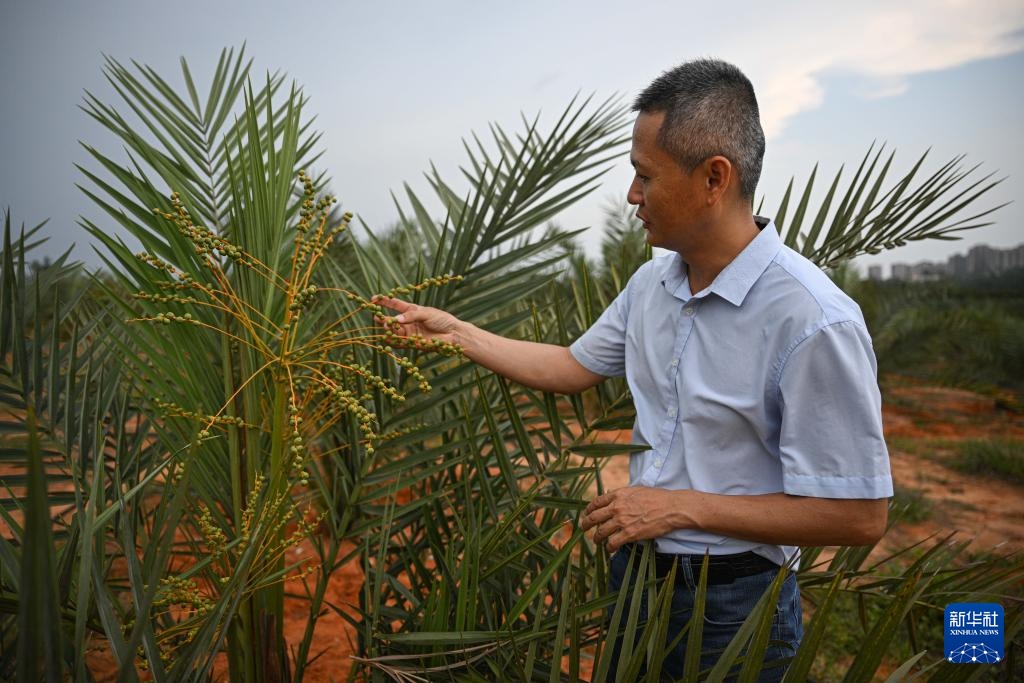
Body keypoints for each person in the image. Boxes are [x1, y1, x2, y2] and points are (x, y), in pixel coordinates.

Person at [374, 58, 893, 680]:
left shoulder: (813, 320)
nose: (631, 195)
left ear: (714, 178)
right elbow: (572, 365)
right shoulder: (652, 284)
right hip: (636, 574)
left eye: (644, 175)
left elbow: (859, 516)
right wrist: (457, 333)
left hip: (733, 604)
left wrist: (678, 508)